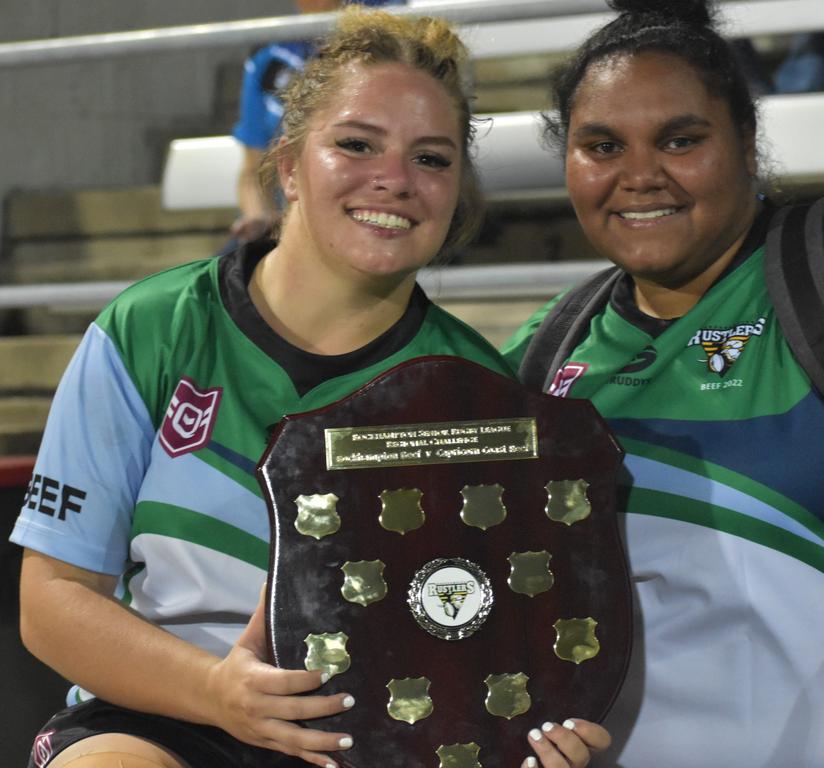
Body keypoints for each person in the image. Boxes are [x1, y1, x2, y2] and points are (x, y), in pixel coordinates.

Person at [11, 7, 601, 768]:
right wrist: (221, 692)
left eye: (432, 158)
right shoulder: (153, 329)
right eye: (356, 144)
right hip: (166, 713)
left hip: (384, 736)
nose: (393, 179)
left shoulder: (475, 390)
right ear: (288, 164)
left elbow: (493, 632)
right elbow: (51, 603)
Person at [502, 1, 824, 766]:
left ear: (746, 143)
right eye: (602, 145)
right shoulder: (546, 352)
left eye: (681, 140)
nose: (640, 175)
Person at [230, 0, 405, 245]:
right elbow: (252, 173)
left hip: (376, 215)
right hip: (294, 230)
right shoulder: (269, 57)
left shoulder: (400, 31)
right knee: (220, 276)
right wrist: (260, 217)